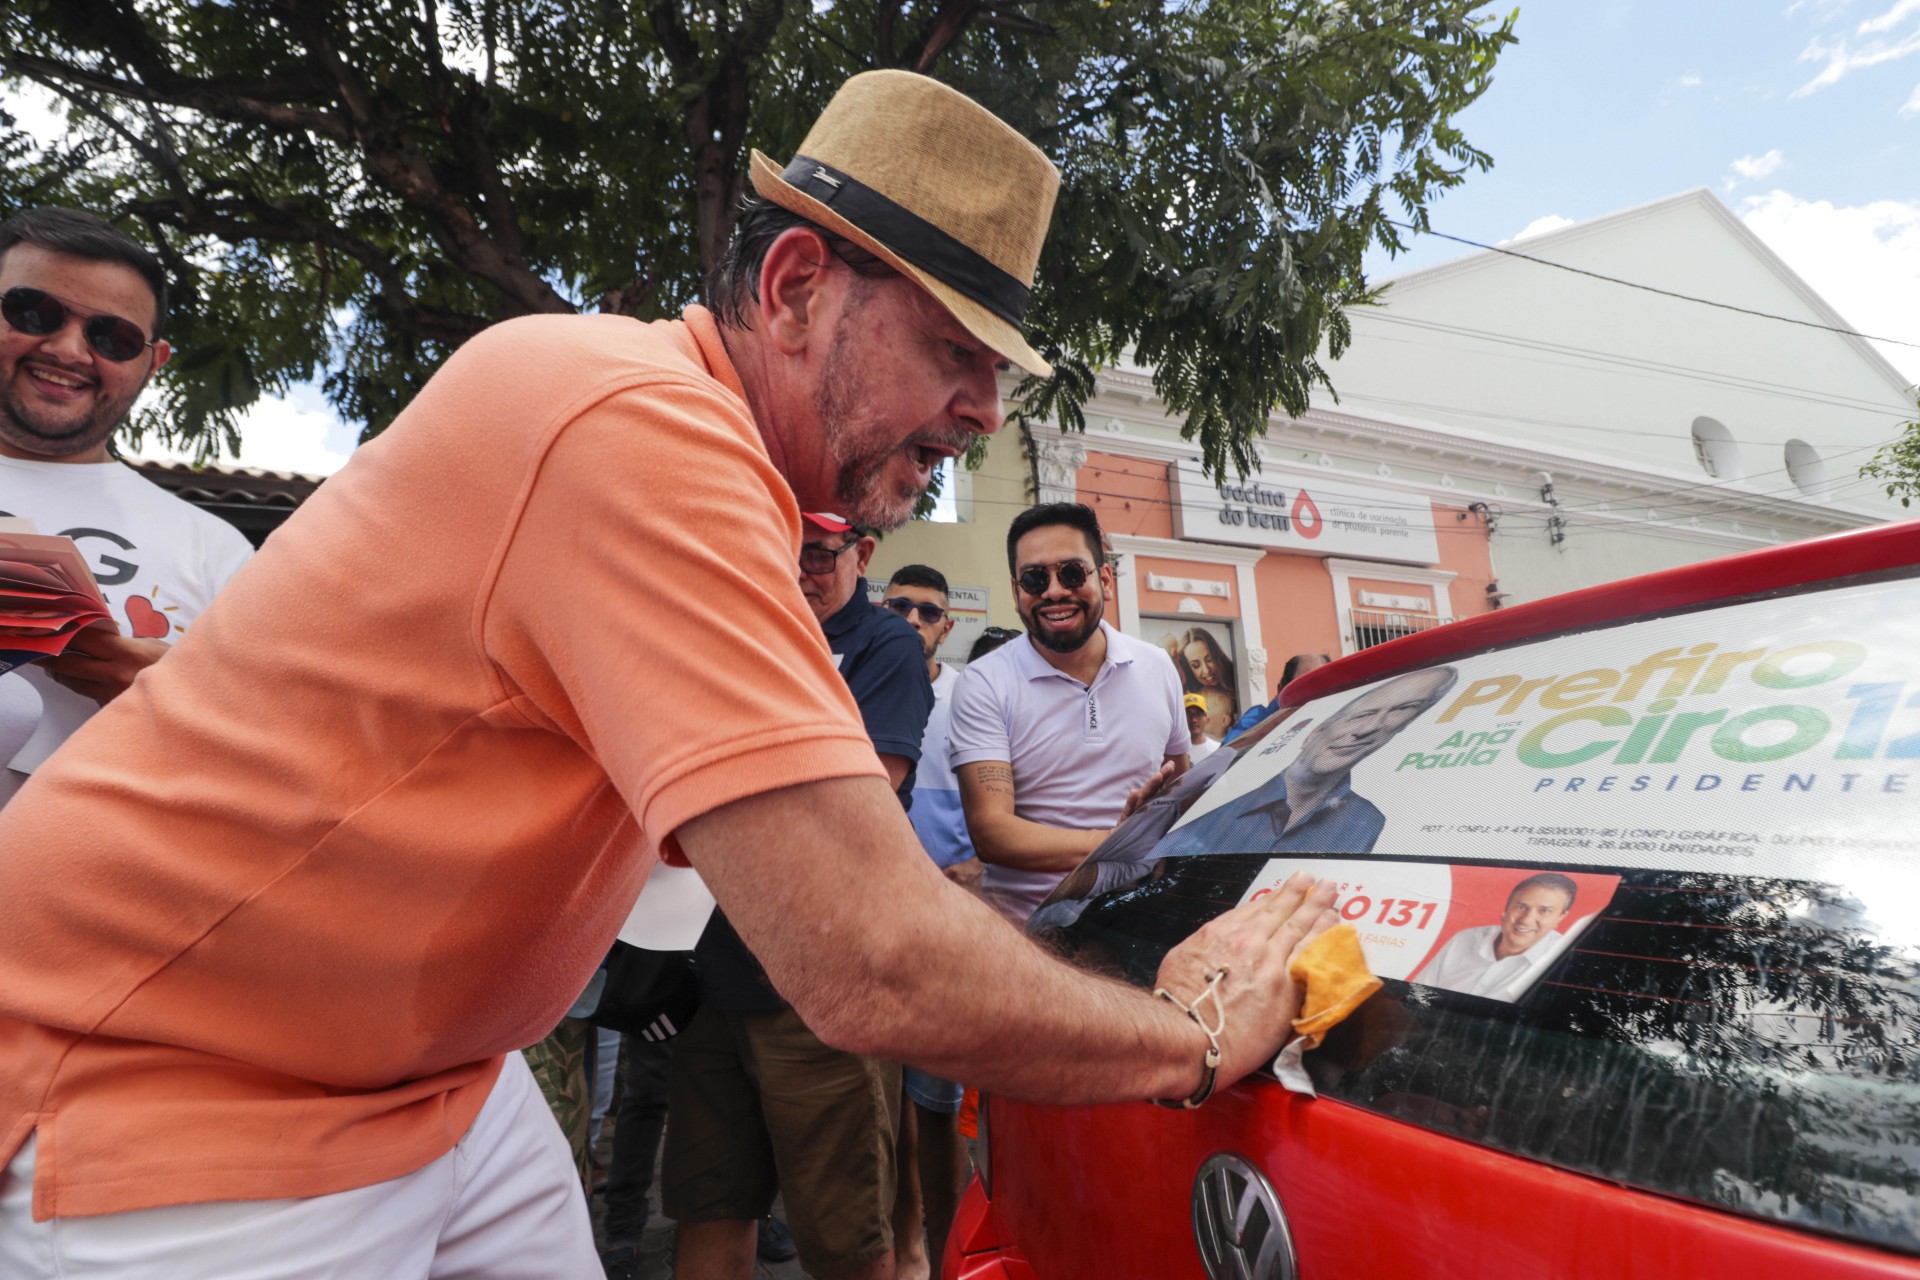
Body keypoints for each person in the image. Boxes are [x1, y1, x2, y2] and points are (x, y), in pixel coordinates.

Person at [0, 72, 1337, 1276]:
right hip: (174, 1085)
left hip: (429, 1081)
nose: (987, 411)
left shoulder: (718, 474)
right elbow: (871, 956)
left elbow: (776, 853)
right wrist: (1196, 1034)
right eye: (956, 352)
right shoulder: (640, 430)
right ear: (796, 285)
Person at [666, 513, 933, 1280]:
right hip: (711, 975)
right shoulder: (740, 631)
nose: (800, 573)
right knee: (709, 1208)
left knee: (848, 1239)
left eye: (818, 555)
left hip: (821, 989)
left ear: (864, 554)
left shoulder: (884, 646)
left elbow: (857, 802)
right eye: (784, 553)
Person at [0, 208, 253, 807]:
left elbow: (272, 755)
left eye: (111, 337)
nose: (68, 350)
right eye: (34, 311)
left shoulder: (215, 550)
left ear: (153, 361)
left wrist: (182, 699)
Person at [950, 502, 1191, 922]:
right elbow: (992, 832)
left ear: (1106, 579)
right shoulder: (984, 682)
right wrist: (1115, 843)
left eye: (1072, 573)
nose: (1054, 591)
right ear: (1015, 592)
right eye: (1034, 578)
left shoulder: (1156, 667)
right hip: (1027, 935)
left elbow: (1181, 783)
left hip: (1141, 918)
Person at [884, 614, 1017, 1280]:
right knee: (919, 1110)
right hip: (918, 939)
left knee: (982, 1116)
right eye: (901, 608)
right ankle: (925, 1252)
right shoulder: (909, 703)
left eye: (928, 611)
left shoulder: (981, 705)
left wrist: (986, 873)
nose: (913, 622)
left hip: (999, 944)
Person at [1158, 666, 1458, 860]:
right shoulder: (1223, 801)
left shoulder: (1369, 821)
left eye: (1396, 718)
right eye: (1362, 715)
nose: (1368, 730)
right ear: (1314, 729)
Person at [1414, 873, 1578, 1001]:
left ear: (1561, 918)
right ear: (1506, 909)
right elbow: (1417, 994)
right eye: (1521, 907)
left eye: (1545, 911)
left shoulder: (1565, 963)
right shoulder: (1464, 939)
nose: (1526, 920)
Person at [1223, 651, 1330, 744]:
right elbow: (1225, 759)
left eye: (1324, 688)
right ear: (1280, 691)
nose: (1316, 695)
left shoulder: (1337, 722)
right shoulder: (1257, 721)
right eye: (1304, 687)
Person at [1173, 627, 1237, 740]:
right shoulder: (1188, 697)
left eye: (1209, 659)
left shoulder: (1236, 678)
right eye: (1196, 665)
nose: (1206, 670)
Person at [1184, 693, 1220, 763]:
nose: (1194, 720)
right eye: (1188, 715)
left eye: (1199, 714)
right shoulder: (1174, 752)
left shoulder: (1217, 749)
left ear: (1207, 719)